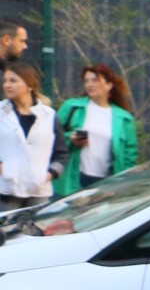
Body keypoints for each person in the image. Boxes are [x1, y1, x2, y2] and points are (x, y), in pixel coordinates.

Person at [54, 63, 139, 194]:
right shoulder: (72, 107)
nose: (89, 84)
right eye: (86, 81)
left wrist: (122, 184)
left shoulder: (124, 118)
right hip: (74, 179)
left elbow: (129, 156)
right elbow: (51, 136)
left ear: (109, 85)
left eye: (95, 80)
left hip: (106, 183)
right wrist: (70, 138)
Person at [0, 63, 62, 209]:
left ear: (30, 85)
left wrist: (49, 174)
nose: (7, 85)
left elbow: (61, 153)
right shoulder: (2, 110)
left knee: (35, 230)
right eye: (5, 81)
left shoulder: (48, 114)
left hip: (39, 192)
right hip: (6, 191)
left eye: (13, 81)